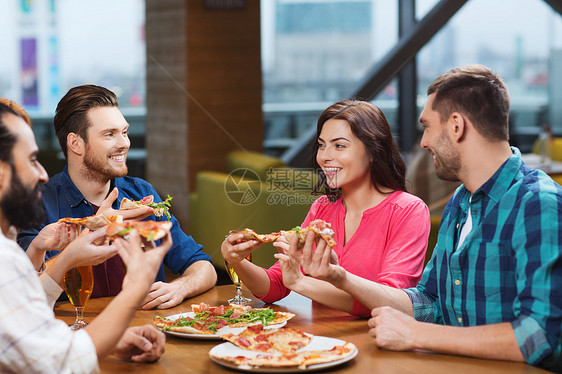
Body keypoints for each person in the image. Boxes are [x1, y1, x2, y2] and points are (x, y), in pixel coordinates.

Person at [291, 65, 562, 371]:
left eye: (428, 127)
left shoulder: (537, 201)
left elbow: (539, 335)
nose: (423, 142)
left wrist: (419, 334)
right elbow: (428, 301)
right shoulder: (461, 201)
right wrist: (340, 278)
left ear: (456, 126)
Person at [0, 103, 171, 372]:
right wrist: (138, 284)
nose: (42, 174)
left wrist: (108, 339)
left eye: (124, 132)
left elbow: (29, 329)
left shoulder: (140, 190)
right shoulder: (5, 256)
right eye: (32, 160)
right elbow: (60, 364)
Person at [222, 100, 430, 316]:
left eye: (339, 145)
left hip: (377, 341)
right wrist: (236, 260)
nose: (324, 156)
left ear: (372, 151)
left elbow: (390, 300)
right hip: (321, 342)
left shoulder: (409, 210)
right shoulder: (322, 208)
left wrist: (301, 283)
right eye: (322, 145)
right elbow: (276, 285)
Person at [18, 85, 217, 310]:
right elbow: (20, 295)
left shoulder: (142, 194)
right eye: (109, 134)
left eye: (124, 132)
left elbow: (203, 267)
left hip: (145, 333)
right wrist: (87, 237)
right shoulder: (37, 203)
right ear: (76, 144)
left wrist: (180, 287)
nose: (124, 143)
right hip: (75, 335)